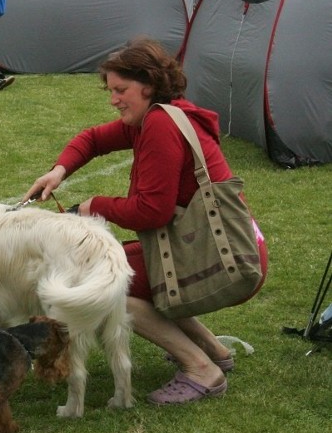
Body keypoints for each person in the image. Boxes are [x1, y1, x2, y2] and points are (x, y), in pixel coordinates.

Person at [23, 38, 268, 406]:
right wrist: (59, 171)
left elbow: (153, 211)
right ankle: (214, 351)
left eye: (121, 90)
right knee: (125, 270)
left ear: (149, 84)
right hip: (235, 246)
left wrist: (92, 205)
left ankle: (201, 369)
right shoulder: (160, 114)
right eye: (111, 90)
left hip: (223, 256)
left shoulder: (160, 125)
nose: (113, 99)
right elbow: (92, 139)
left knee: (108, 284)